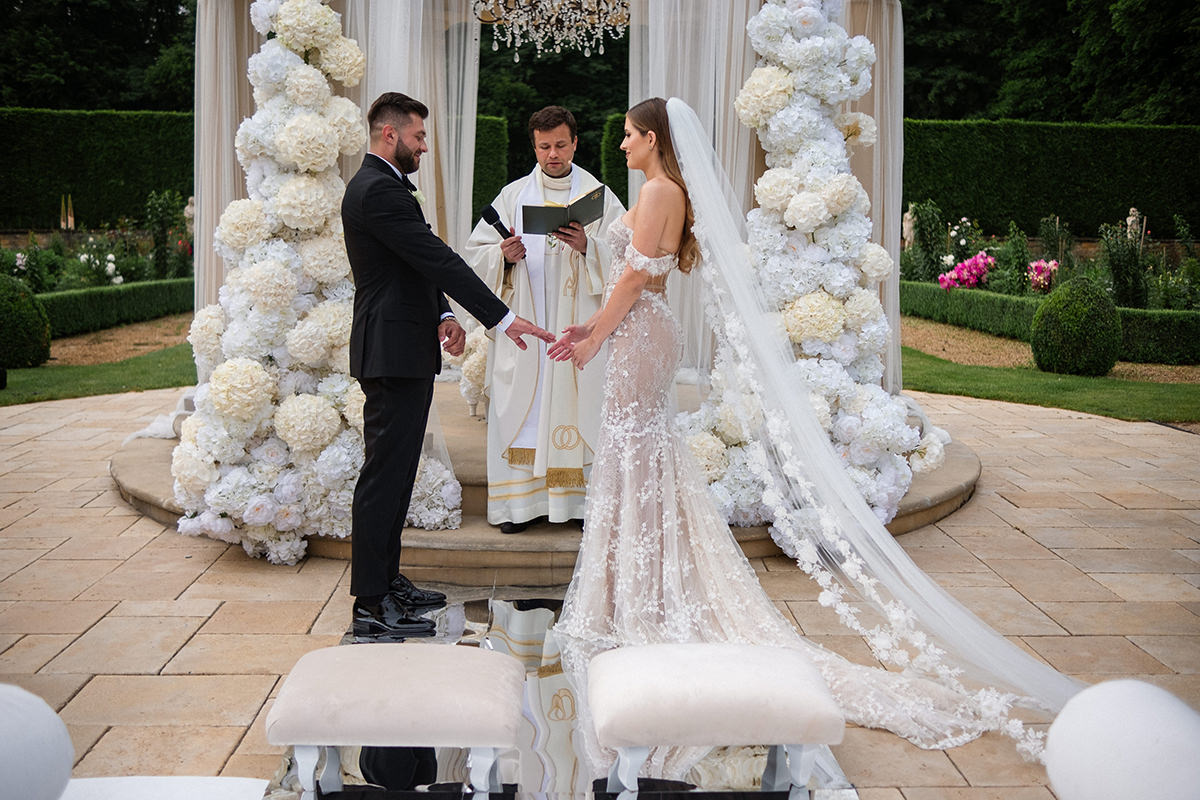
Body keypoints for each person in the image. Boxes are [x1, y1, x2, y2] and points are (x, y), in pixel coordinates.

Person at [549, 98, 1081, 780]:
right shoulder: (663, 190)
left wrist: (592, 335)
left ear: (651, 139)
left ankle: (634, 598)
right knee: (640, 456)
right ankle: (636, 589)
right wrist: (592, 264)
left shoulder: (658, 189)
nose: (620, 144)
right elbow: (632, 260)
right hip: (641, 333)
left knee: (634, 452)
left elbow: (633, 279)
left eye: (626, 135)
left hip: (636, 336)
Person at [342, 92, 553, 640]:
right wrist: (502, 319)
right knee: (383, 479)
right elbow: (437, 257)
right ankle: (370, 603)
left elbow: (416, 264)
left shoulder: (389, 189)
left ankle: (388, 581)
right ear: (390, 135)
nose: (423, 146)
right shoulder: (376, 191)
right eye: (418, 137)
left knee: (398, 473)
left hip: (405, 346)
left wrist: (441, 313)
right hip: (388, 353)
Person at [464, 106, 625, 534]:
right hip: (530, 328)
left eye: (560, 145)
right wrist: (504, 257)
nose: (552, 154)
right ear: (533, 146)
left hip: (578, 328)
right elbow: (473, 253)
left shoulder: (601, 198)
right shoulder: (513, 197)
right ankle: (519, 507)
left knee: (579, 403)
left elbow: (629, 263)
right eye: (543, 146)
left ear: (575, 143)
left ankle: (578, 505)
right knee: (526, 407)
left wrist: (590, 248)